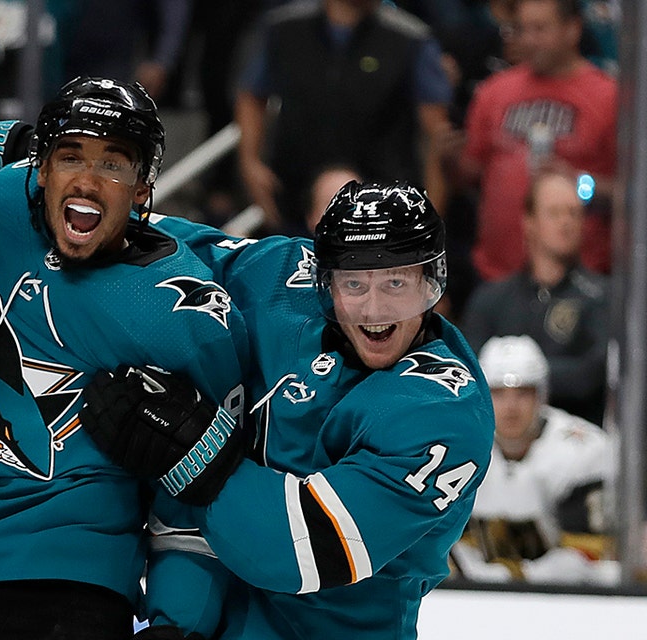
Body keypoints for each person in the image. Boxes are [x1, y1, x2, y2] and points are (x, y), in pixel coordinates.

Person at [81, 180, 496, 640]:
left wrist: (192, 451)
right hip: (208, 626)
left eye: (396, 284)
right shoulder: (282, 278)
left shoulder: (445, 412)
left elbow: (299, 548)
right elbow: (142, 241)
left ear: (432, 283)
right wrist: (13, 157)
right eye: (354, 284)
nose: (375, 309)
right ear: (324, 281)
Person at [0, 75, 249, 640]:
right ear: (42, 171)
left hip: (67, 587)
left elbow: (200, 501)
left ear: (141, 189)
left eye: (113, 163)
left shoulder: (184, 313)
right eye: (70, 157)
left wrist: (173, 633)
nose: (86, 178)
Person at [235, 0, 453, 231]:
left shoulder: (411, 39)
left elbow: (437, 135)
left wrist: (429, 220)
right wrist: (250, 162)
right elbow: (251, 94)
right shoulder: (284, 27)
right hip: (294, 194)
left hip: (382, 209)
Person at [450, 0, 617, 281]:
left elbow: (629, 194)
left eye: (540, 29)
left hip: (579, 281)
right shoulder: (494, 91)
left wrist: (579, 183)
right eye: (521, 30)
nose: (528, 40)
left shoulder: (609, 97)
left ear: (572, 29)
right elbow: (469, 174)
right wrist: (448, 160)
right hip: (496, 276)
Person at [451, 336, 618, 585]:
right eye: (498, 393)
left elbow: (590, 556)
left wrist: (512, 575)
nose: (511, 407)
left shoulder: (585, 451)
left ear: (543, 395)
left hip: (569, 599)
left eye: (523, 393)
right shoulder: (455, 447)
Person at [461, 168, 607, 424]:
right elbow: (471, 372)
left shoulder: (602, 297)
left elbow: (591, 374)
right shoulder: (490, 300)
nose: (566, 222)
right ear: (529, 222)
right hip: (497, 444)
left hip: (577, 437)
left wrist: (513, 372)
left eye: (573, 213)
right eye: (554, 213)